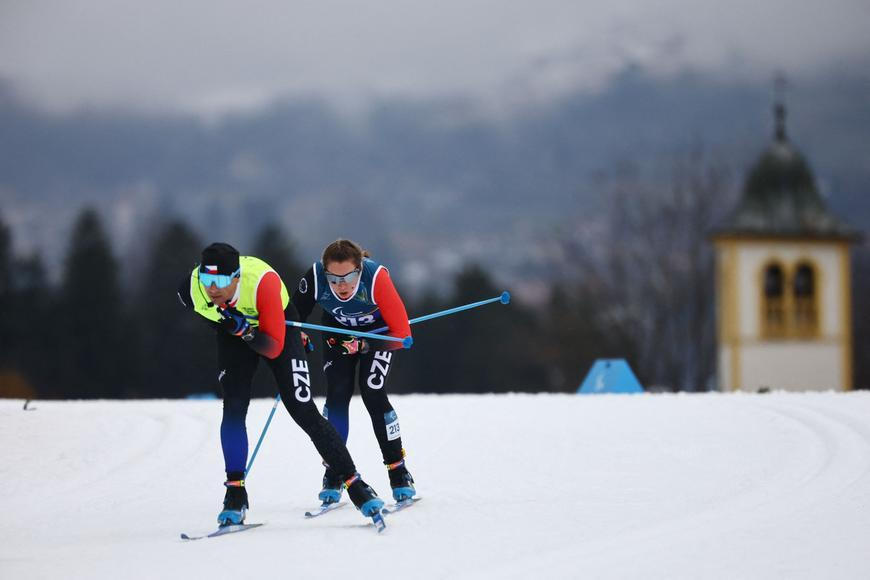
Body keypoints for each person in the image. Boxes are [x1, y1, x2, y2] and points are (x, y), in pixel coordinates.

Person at [177, 242, 384, 526]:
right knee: (234, 407)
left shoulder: (263, 282)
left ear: (236, 277)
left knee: (302, 409)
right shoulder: (191, 288)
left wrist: (247, 331)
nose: (212, 288)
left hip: (276, 330)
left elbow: (273, 348)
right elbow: (205, 312)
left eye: (221, 281)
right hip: (234, 332)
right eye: (207, 279)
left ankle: (355, 485)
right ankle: (235, 493)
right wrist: (227, 326)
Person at [292, 238, 416, 505]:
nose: (342, 285)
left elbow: (403, 335)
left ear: (359, 269)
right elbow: (291, 318)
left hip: (379, 334)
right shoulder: (315, 277)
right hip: (337, 335)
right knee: (337, 395)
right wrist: (297, 334)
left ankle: (398, 470)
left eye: (349, 277)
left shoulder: (376, 278)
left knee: (372, 390)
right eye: (334, 279)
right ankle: (335, 471)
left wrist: (364, 344)